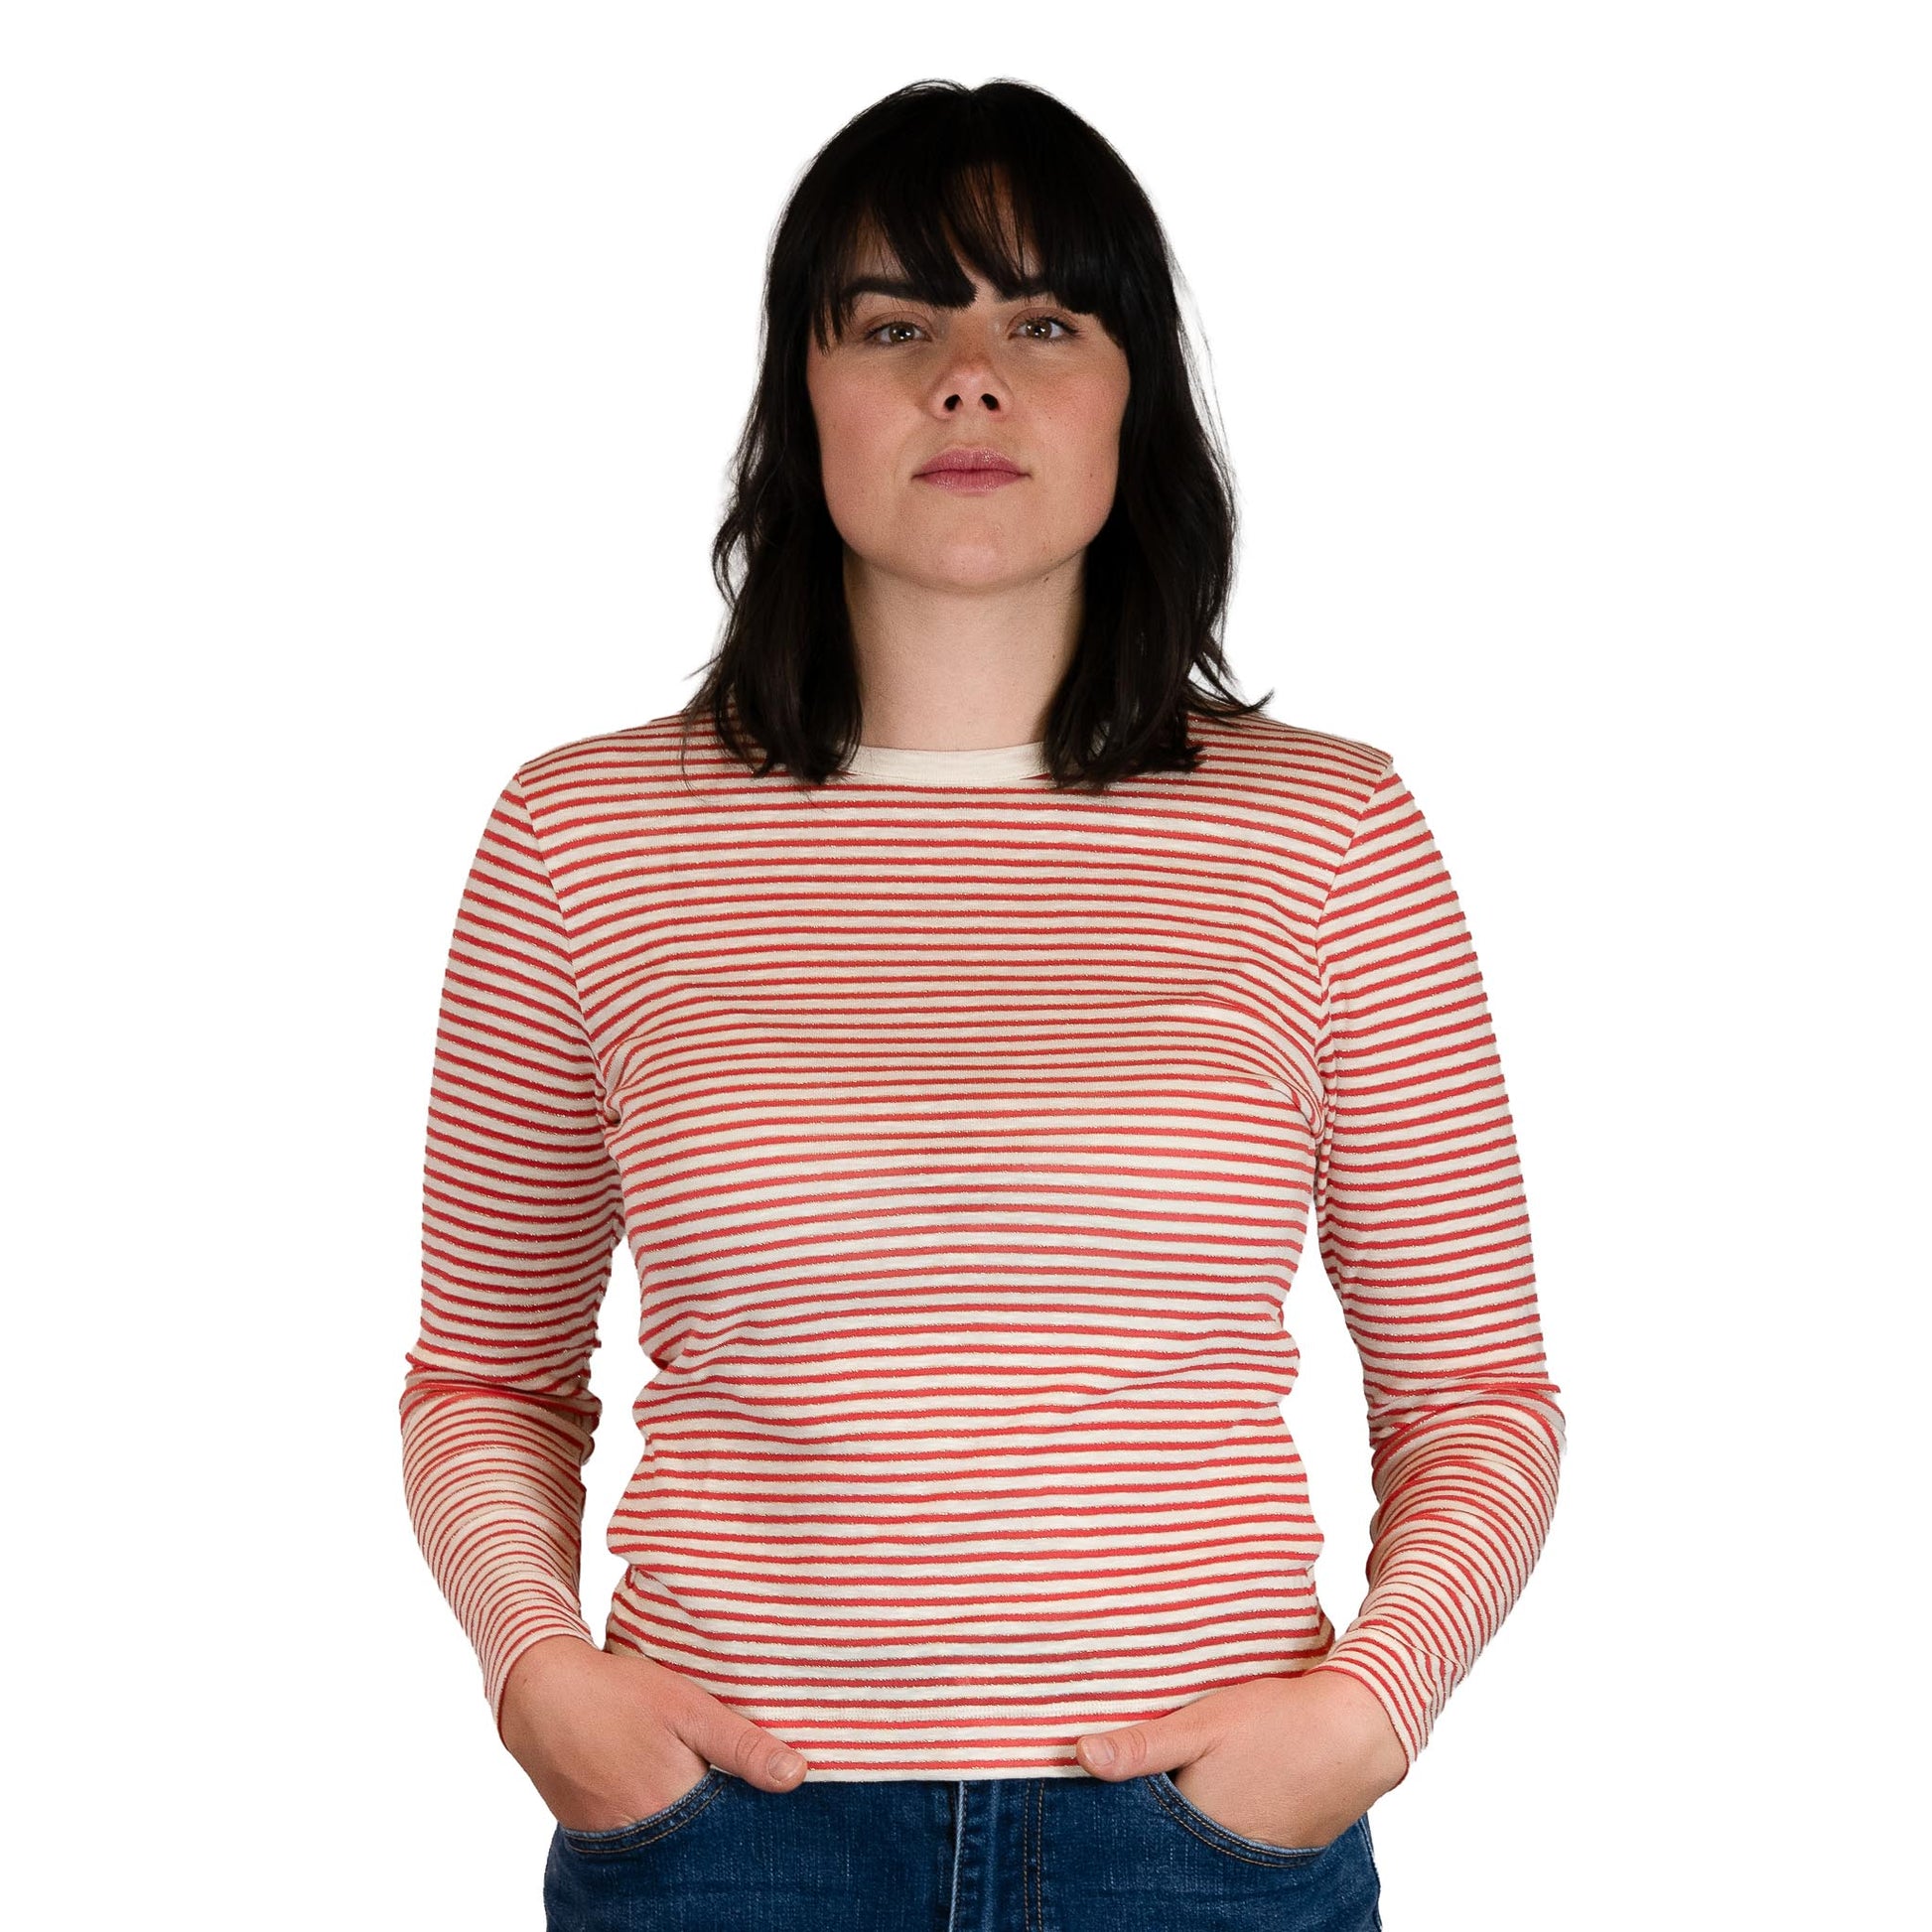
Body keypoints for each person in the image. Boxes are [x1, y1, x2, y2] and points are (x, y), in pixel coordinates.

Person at [399, 75, 1566, 1931]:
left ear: (1131, 397)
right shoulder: (585, 832)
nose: (966, 379)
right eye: (893, 325)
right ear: (802, 397)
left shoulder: (1329, 830)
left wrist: (1359, 1719)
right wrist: (542, 1681)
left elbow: (1476, 1397)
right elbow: (486, 1378)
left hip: (1198, 1845)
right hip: (726, 1837)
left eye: (1040, 321)